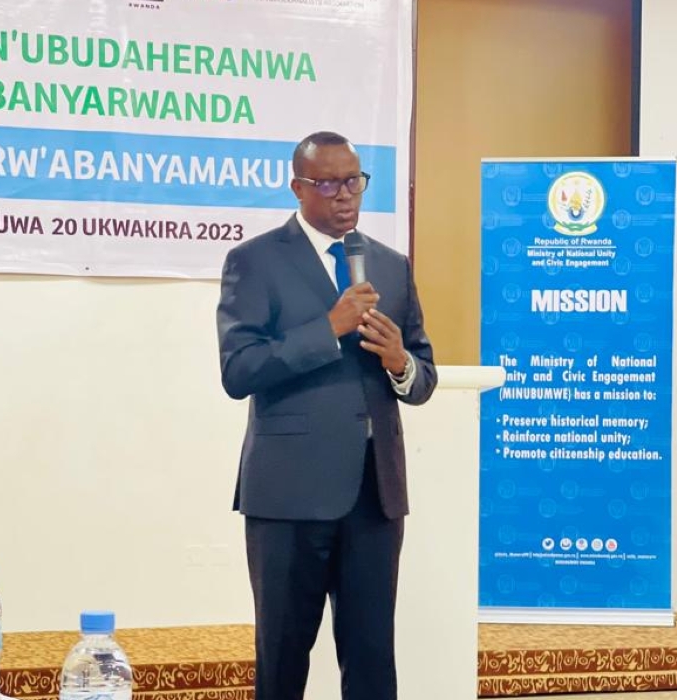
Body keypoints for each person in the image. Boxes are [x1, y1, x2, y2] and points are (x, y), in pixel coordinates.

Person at [216, 131, 436, 700]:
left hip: (375, 494)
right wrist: (328, 328)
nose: (346, 196)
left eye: (355, 182)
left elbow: (423, 377)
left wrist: (399, 362)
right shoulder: (255, 261)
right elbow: (239, 371)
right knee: (283, 660)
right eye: (329, 183)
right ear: (298, 188)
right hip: (289, 495)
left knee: (371, 661)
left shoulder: (389, 265)